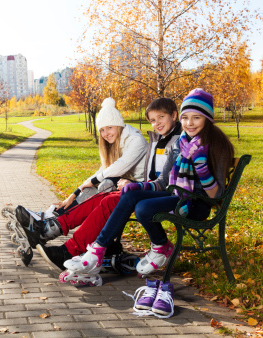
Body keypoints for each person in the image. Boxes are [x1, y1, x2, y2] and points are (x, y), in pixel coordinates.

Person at [65, 88, 235, 317]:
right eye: (186, 117)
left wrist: (202, 168)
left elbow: (216, 196)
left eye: (196, 117)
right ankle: (98, 251)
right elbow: (164, 181)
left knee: (143, 207)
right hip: (177, 195)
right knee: (131, 195)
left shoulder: (217, 146)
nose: (190, 123)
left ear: (207, 118)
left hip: (197, 204)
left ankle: (155, 247)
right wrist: (140, 186)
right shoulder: (181, 143)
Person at [16, 97, 182, 270]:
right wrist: (75, 192)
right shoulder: (159, 139)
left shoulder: (171, 141)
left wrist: (137, 185)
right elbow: (145, 175)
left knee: (108, 198)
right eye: (153, 120)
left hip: (156, 192)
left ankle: (68, 247)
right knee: (102, 196)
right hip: (143, 189)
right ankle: (50, 228)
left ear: (173, 115)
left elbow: (161, 180)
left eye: (161, 117)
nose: (157, 123)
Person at [13, 97, 147, 252]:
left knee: (102, 186)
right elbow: (103, 170)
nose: (105, 133)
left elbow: (119, 167)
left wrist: (92, 182)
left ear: (118, 125)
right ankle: (49, 222)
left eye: (109, 127)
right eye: (102, 130)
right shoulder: (115, 143)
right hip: (124, 186)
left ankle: (49, 227)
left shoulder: (136, 141)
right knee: (91, 189)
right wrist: (74, 193)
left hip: (141, 188)